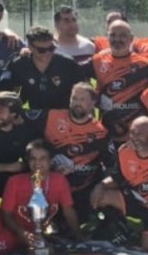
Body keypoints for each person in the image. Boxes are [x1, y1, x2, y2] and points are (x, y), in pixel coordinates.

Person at [0, 139, 83, 255]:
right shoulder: (15, 181)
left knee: (59, 246)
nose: (37, 163)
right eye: (33, 159)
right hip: (12, 233)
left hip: (38, 235)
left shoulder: (60, 180)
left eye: (42, 158)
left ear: (51, 160)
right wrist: (22, 233)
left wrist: (79, 236)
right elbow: (6, 214)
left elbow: (68, 210)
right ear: (27, 161)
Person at [90, 117, 148, 253]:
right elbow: (118, 178)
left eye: (139, 133)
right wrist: (101, 185)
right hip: (135, 200)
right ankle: (122, 229)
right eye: (132, 133)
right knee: (99, 196)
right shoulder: (123, 151)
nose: (134, 137)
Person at [26, 82, 113, 220]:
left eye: (82, 99)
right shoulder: (52, 117)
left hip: (82, 190)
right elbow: (19, 115)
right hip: (50, 186)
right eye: (74, 98)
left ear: (93, 103)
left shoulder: (101, 132)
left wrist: (101, 185)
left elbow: (111, 165)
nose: (77, 103)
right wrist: (51, 158)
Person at [91, 19, 148, 141]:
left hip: (137, 133)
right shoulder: (97, 61)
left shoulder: (144, 64)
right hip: (108, 130)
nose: (117, 39)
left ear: (131, 39)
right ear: (107, 37)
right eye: (113, 35)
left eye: (123, 35)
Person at [0, 26, 88, 111]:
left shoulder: (68, 64)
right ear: (30, 47)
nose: (47, 53)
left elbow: (84, 91)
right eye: (41, 50)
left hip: (63, 114)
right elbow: (6, 93)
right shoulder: (20, 65)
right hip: (35, 115)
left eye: (51, 48)